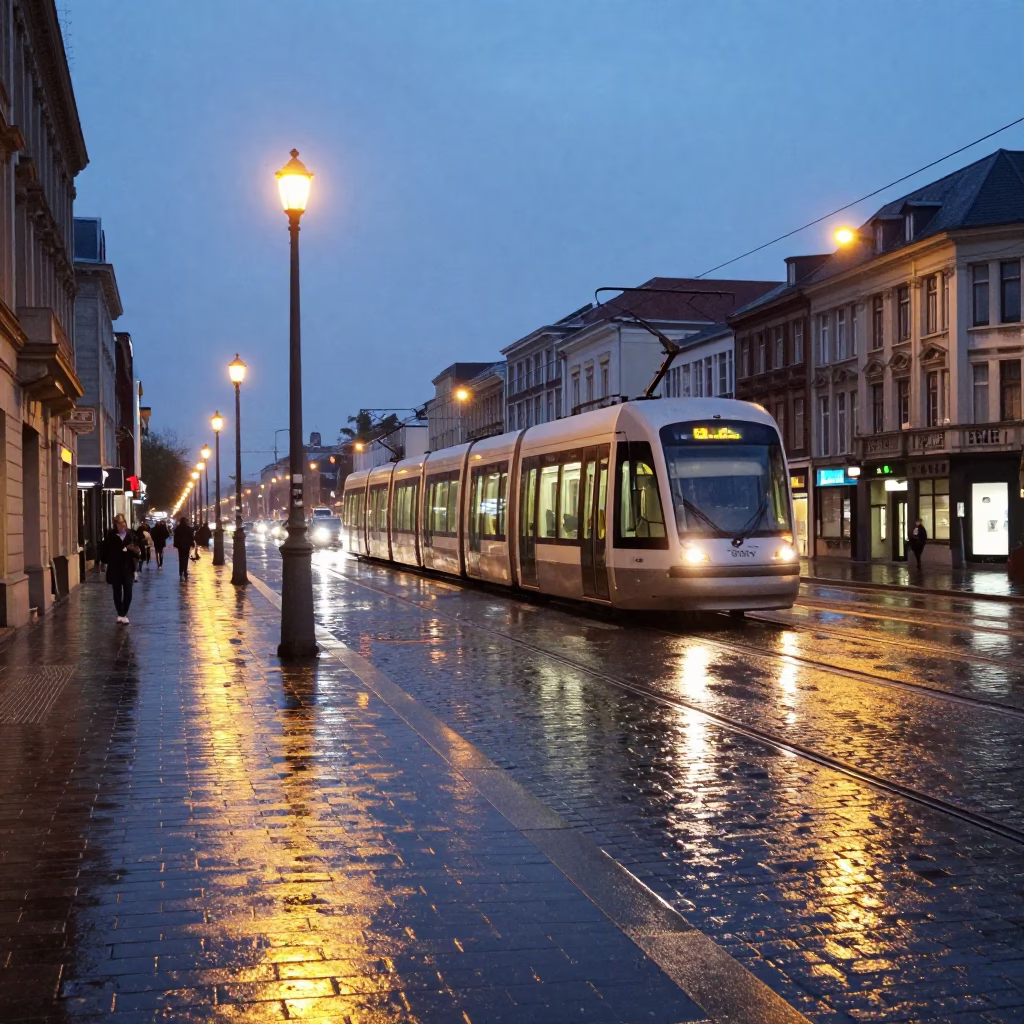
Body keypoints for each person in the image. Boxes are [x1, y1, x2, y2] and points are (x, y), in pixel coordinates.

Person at [101, 514, 140, 624]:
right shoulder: (110, 536)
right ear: (115, 524)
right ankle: (120, 613)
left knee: (128, 591)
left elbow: (137, 551)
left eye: (123, 522)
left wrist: (133, 550)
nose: (122, 525)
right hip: (115, 567)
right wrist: (107, 560)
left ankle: (124, 612)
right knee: (117, 591)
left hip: (128, 567)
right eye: (119, 523)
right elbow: (104, 552)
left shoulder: (131, 535)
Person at [174, 515, 196, 580]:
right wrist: (192, 543)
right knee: (186, 559)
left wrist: (176, 544)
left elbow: (176, 537)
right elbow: (192, 537)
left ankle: (181, 572)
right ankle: (185, 571)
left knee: (181, 559)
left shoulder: (177, 528)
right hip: (186, 545)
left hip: (180, 546)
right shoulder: (188, 528)